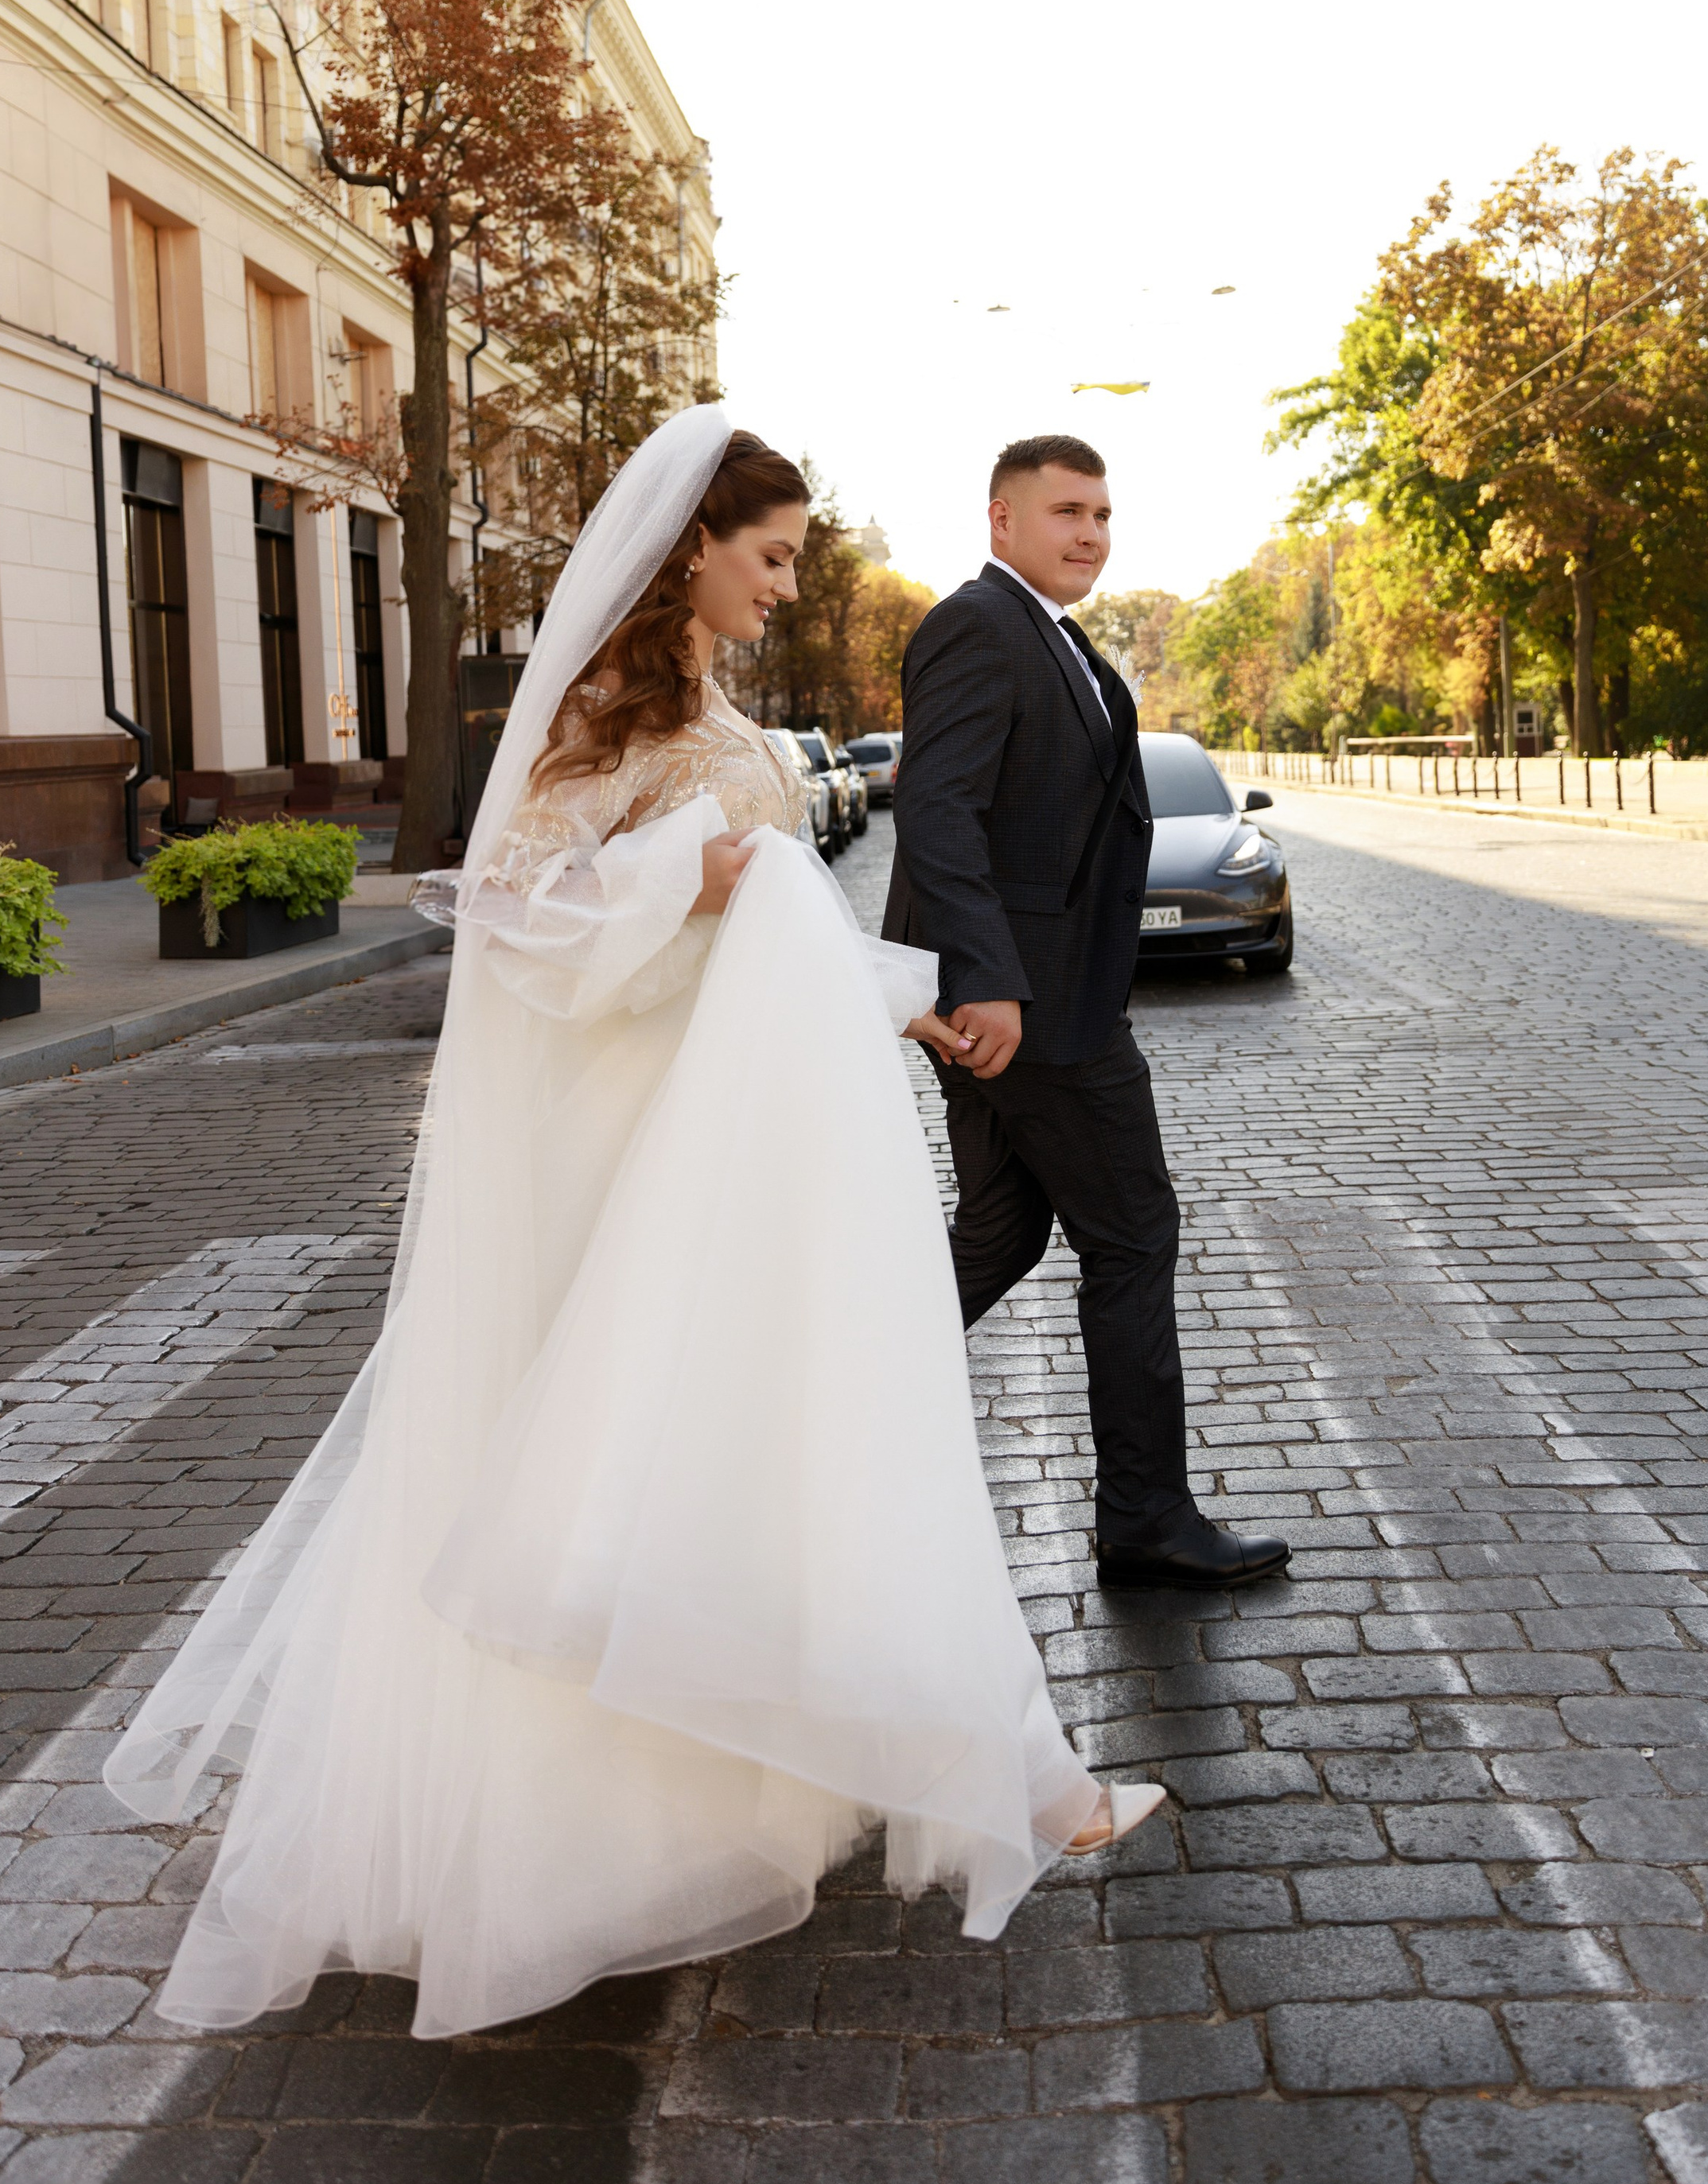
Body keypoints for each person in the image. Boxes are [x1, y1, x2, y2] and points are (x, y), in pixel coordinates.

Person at [105, 410, 1164, 2042]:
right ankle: (667, 1818)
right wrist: (692, 877)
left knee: (778, 1448)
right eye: (770, 555)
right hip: (649, 1148)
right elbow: (510, 908)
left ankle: (865, 1775)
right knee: (711, 1447)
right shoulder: (608, 708)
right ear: (691, 551)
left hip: (736, 1136)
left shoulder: (717, 705)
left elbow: (769, 929)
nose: (786, 583)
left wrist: (898, 1000)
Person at [884, 433, 1290, 1593]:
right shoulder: (980, 624)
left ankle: (805, 1401)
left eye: (1103, 515)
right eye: (1067, 511)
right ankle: (1145, 1515)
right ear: (1001, 519)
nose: (1091, 533)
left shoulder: (1047, 631)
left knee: (1003, 1231)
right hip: (1035, 1006)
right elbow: (940, 810)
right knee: (1134, 1232)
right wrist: (987, 976)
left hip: (1036, 993)